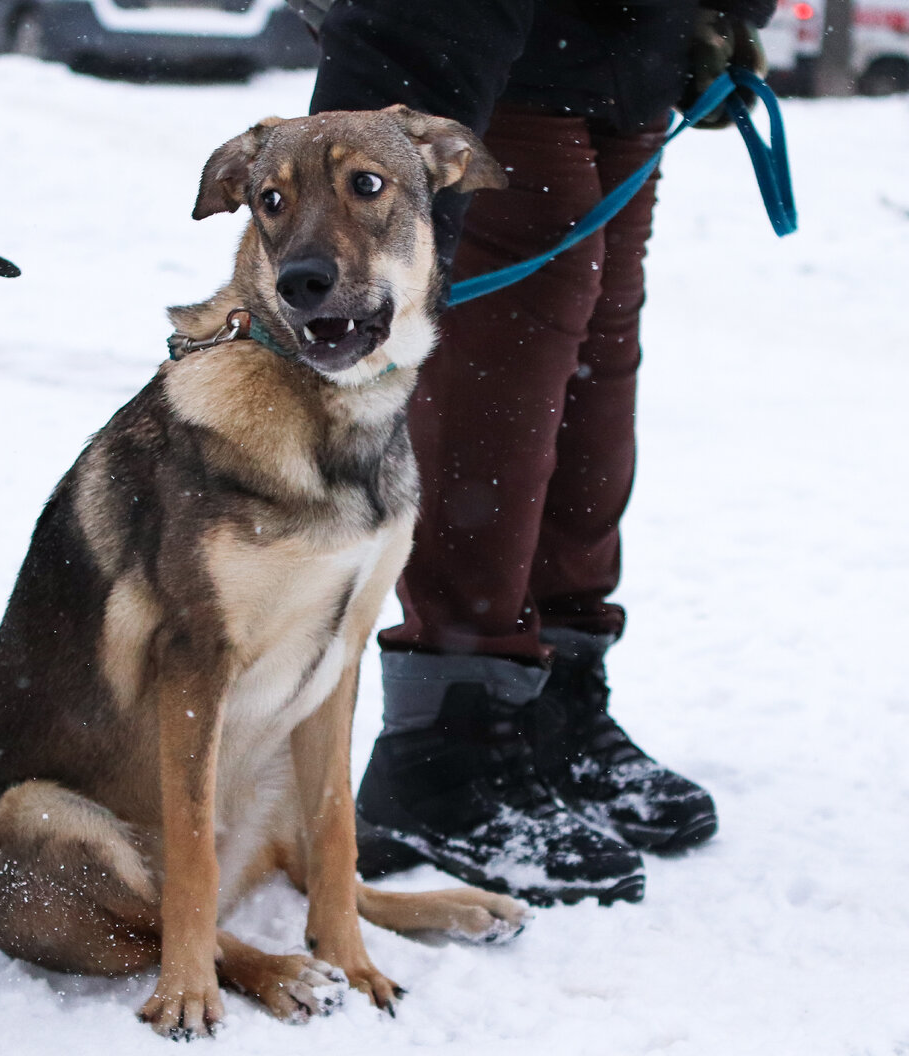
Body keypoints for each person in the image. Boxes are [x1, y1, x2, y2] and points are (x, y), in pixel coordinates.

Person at [300, 0, 775, 905]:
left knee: (592, 380)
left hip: (629, 49)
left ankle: (552, 699)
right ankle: (448, 743)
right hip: (480, 60)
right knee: (499, 392)